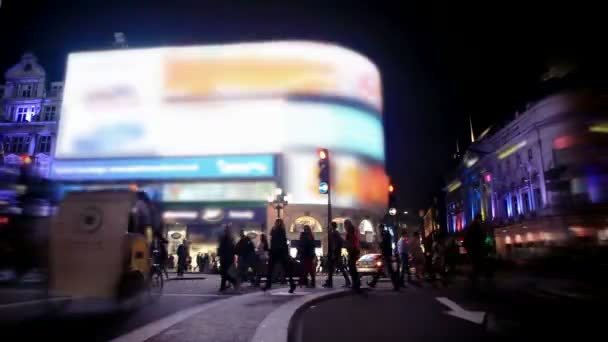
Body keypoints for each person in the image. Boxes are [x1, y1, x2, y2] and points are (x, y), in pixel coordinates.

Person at [263, 219, 296, 293]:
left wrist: (271, 250)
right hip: (278, 252)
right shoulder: (279, 230)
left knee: (273, 269)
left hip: (278, 252)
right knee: (275, 269)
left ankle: (268, 284)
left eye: (278, 223)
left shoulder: (278, 231)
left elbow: (277, 242)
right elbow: (278, 242)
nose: (277, 224)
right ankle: (292, 284)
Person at [368, 225, 399, 290]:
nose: (379, 231)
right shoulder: (386, 234)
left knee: (388, 270)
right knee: (381, 269)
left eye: (379, 229)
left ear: (381, 228)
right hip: (386, 254)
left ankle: (396, 285)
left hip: (386, 254)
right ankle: (373, 283)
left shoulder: (385, 234)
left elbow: (384, 245)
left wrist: (379, 243)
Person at [324, 222, 351, 288]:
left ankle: (347, 281)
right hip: (335, 252)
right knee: (332, 267)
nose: (328, 227)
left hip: (335, 253)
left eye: (329, 226)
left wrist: (334, 252)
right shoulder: (335, 233)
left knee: (338, 267)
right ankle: (329, 281)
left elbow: (335, 243)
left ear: (332, 226)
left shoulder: (334, 233)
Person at [464, 214, 485, 283]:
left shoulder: (472, 224)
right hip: (474, 246)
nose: (481, 220)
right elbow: (480, 235)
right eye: (480, 219)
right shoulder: (476, 224)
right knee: (476, 261)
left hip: (471, 246)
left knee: (474, 262)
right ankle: (475, 275)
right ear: (479, 218)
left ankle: (474, 275)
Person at [218, 225, 239, 292]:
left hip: (226, 258)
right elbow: (221, 248)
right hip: (226, 258)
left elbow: (222, 248)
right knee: (224, 273)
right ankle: (225, 285)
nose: (226, 231)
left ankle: (232, 282)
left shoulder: (228, 239)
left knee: (224, 273)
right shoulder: (228, 239)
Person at [344, 219, 361, 292]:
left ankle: (356, 284)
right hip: (355, 250)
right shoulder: (353, 231)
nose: (344, 227)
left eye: (345, 225)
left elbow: (350, 242)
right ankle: (356, 283)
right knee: (353, 268)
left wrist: (346, 245)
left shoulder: (349, 233)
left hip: (352, 251)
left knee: (352, 268)